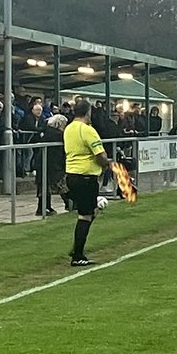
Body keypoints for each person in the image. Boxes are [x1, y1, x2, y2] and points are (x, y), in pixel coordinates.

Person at [65, 99, 111, 267]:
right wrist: (108, 163)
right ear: (88, 112)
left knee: (90, 211)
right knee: (85, 215)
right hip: (85, 176)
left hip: (71, 174)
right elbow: (100, 155)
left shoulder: (68, 128)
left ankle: (76, 248)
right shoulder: (88, 130)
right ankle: (77, 255)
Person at [36, 114, 69, 216]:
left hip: (43, 162)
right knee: (61, 184)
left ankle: (43, 208)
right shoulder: (58, 135)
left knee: (44, 186)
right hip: (54, 164)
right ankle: (69, 204)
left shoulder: (45, 132)